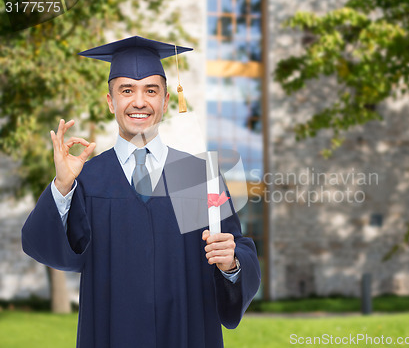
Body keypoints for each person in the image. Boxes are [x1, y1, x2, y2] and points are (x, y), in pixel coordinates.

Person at [22, 36, 261, 348]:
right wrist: (63, 185)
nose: (139, 102)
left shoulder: (194, 175)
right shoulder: (90, 179)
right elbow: (54, 251)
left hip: (185, 335)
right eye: (126, 90)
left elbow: (233, 248)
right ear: (110, 101)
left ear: (165, 101)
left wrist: (231, 264)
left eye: (151, 90)